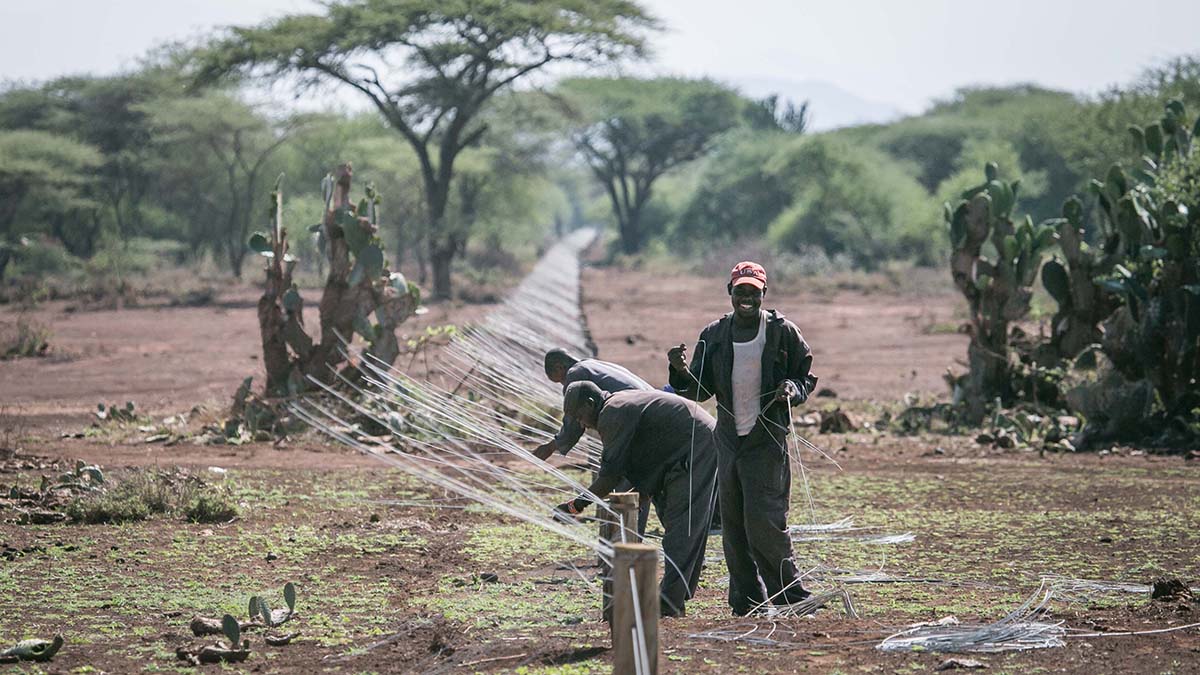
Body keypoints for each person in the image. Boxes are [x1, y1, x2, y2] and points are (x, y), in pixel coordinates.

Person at [666, 261, 818, 616]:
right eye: (740, 291)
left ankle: (789, 596)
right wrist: (678, 370)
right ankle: (746, 600)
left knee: (764, 520)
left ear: (764, 294)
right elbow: (698, 390)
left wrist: (791, 389)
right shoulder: (715, 335)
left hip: (766, 440)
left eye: (753, 292)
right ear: (730, 293)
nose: (746, 298)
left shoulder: (782, 332)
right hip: (729, 440)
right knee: (733, 523)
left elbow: (805, 377)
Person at [554, 381, 717, 618]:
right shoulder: (617, 404)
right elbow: (640, 454)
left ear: (590, 404)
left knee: (683, 527)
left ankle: (669, 603)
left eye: (579, 416)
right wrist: (643, 491)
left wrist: (576, 505)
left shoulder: (612, 413)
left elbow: (610, 477)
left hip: (696, 445)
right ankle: (673, 597)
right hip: (677, 449)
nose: (580, 423)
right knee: (679, 528)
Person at [533, 349, 654, 534]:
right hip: (648, 412)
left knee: (626, 485)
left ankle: (628, 544)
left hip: (638, 420)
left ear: (560, 367)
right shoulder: (595, 365)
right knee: (644, 482)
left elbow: (573, 422)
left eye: (560, 381)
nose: (565, 387)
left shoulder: (576, 374)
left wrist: (550, 447)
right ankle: (627, 542)